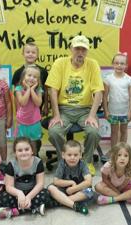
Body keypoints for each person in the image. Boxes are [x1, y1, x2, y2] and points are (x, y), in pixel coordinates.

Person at [45, 35, 104, 176]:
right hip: (63, 109)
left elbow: (99, 91)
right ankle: (63, 161)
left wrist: (91, 116)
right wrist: (56, 114)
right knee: (54, 132)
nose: (80, 52)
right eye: (77, 48)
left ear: (87, 51)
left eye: (84, 50)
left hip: (85, 110)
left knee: (94, 132)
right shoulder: (60, 63)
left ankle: (87, 161)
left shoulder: (93, 64)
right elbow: (52, 90)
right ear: (71, 48)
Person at [0, 137, 50, 219]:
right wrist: (19, 194)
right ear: (15, 153)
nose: (23, 152)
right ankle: (34, 208)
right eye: (20, 150)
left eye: (26, 149)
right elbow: (9, 187)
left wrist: (29, 197)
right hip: (17, 193)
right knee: (3, 198)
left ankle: (14, 211)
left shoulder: (38, 162)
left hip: (33, 192)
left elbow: (40, 184)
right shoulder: (11, 165)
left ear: (32, 151)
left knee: (46, 194)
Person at [47, 140, 93, 215]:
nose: (72, 157)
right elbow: (56, 181)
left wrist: (73, 189)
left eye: (75, 155)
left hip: (78, 190)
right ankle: (73, 204)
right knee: (50, 188)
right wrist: (71, 182)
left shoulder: (83, 164)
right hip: (64, 189)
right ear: (63, 155)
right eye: (69, 155)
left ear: (80, 155)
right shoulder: (62, 164)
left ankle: (61, 202)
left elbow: (88, 182)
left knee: (89, 191)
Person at [103, 52, 131, 148]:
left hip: (124, 112)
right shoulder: (108, 79)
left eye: (122, 63)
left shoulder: (129, 80)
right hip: (113, 112)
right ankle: (114, 151)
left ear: (126, 65)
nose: (119, 65)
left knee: (124, 131)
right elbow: (104, 96)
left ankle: (123, 150)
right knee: (114, 132)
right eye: (116, 63)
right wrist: (106, 111)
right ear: (113, 64)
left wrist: (130, 112)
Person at [11, 42, 49, 116]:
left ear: (37, 55)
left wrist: (46, 107)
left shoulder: (43, 72)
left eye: (33, 52)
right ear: (23, 54)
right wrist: (17, 110)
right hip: (23, 110)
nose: (30, 54)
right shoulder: (18, 73)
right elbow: (15, 94)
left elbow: (46, 90)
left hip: (37, 109)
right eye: (28, 52)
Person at [14, 65, 43, 156]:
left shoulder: (38, 90)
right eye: (29, 75)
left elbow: (38, 103)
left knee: (34, 142)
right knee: (22, 142)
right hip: (22, 122)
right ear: (23, 77)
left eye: (35, 77)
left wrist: (32, 89)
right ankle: (23, 158)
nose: (31, 78)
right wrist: (28, 90)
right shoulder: (18, 89)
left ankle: (34, 158)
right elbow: (23, 102)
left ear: (38, 80)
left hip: (34, 122)